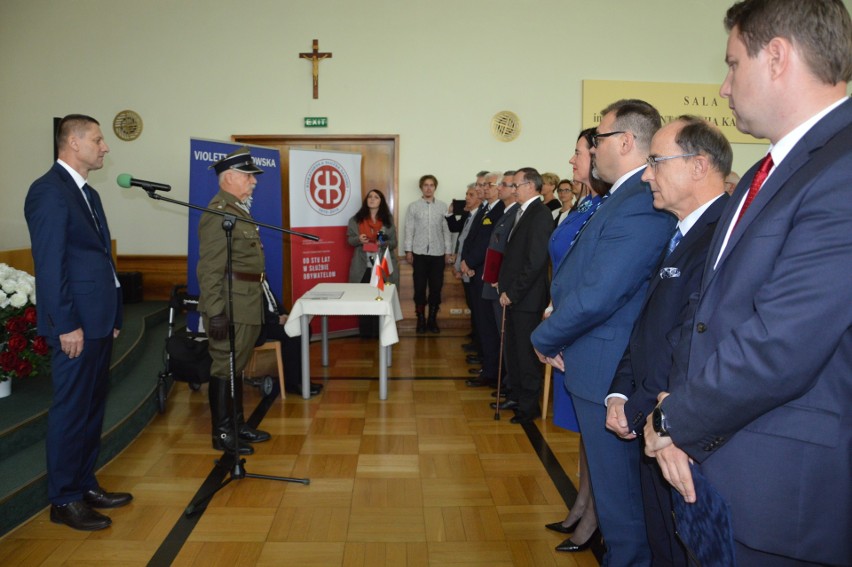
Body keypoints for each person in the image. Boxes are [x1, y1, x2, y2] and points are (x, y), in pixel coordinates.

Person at [643, 2, 852, 565]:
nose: (725, 85)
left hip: (785, 487)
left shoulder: (843, 168)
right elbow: (704, 307)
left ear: (778, 58)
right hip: (720, 463)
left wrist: (673, 420)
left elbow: (784, 342)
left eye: (733, 64)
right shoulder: (767, 172)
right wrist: (676, 405)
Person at [531, 99, 675, 566]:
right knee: (616, 504)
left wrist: (546, 337)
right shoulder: (623, 197)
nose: (592, 150)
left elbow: (601, 293)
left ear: (626, 142)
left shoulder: (639, 203)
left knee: (622, 509)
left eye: (598, 140)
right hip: (593, 359)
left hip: (608, 365)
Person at [605, 116, 731, 566]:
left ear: (698, 166)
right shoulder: (681, 231)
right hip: (651, 417)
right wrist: (620, 390)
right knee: (660, 544)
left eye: (656, 161)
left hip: (676, 424)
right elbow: (648, 323)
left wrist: (643, 406)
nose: (646, 173)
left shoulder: (721, 235)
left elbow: (690, 340)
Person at [25, 114, 131, 531]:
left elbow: (100, 259)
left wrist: (116, 313)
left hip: (99, 320)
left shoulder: (87, 193)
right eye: (98, 140)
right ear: (73, 142)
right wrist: (66, 323)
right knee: (71, 411)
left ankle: (85, 483)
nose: (105, 147)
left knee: (91, 408)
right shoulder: (48, 192)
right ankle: (64, 499)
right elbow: (50, 266)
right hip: (75, 325)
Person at [543, 128, 610, 552]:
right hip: (568, 324)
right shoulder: (585, 203)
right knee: (585, 433)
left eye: (579, 152)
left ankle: (596, 517)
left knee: (596, 433)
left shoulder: (607, 206)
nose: (572, 159)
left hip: (584, 329)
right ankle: (583, 503)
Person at [197, 147, 271, 456]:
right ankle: (223, 432)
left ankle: (238, 424)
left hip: (247, 301)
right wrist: (215, 313)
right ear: (229, 177)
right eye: (249, 177)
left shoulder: (237, 210)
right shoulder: (219, 213)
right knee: (224, 366)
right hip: (231, 304)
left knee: (236, 365)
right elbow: (210, 268)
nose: (254, 183)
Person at [496, 167, 554, 424]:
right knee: (514, 350)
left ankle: (528, 405)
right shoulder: (522, 212)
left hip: (526, 299)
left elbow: (535, 261)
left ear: (531, 185)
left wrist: (514, 292)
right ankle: (517, 396)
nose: (514, 189)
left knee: (526, 355)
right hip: (514, 296)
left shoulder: (540, 214)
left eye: (517, 185)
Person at [460, 171, 504, 388]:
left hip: (484, 274)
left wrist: (470, 261)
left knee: (489, 327)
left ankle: (492, 372)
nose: (484, 188)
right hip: (475, 271)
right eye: (483, 185)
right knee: (483, 324)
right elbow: (470, 239)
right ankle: (488, 368)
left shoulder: (500, 210)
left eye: (489, 185)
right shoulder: (486, 209)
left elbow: (487, 243)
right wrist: (465, 260)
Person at [403, 175, 452, 333]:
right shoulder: (413, 207)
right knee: (419, 288)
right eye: (425, 185)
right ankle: (421, 319)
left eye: (431, 185)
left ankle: (432, 319)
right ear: (421, 187)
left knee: (436, 288)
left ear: (435, 187)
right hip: (419, 253)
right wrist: (408, 250)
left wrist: (448, 252)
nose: (428, 188)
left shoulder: (443, 207)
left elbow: (447, 231)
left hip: (438, 254)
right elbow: (409, 229)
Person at [346, 189, 399, 337]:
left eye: (376, 197)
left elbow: (394, 243)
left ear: (381, 201)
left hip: (381, 267)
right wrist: (358, 240)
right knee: (363, 300)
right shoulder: (356, 220)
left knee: (381, 300)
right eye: (370, 196)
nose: (372, 199)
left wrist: (383, 242)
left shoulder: (387, 220)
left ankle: (381, 332)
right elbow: (350, 240)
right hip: (363, 267)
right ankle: (366, 333)